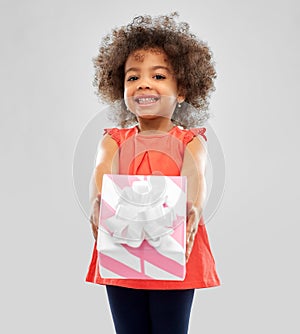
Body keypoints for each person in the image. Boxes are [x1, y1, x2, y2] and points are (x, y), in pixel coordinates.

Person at [86, 12, 220, 334]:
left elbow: (195, 178)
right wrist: (97, 201)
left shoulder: (189, 141)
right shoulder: (114, 140)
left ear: (183, 89)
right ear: (121, 89)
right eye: (133, 77)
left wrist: (193, 208)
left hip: (174, 252)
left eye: (158, 76)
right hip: (123, 251)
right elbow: (101, 172)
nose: (143, 82)